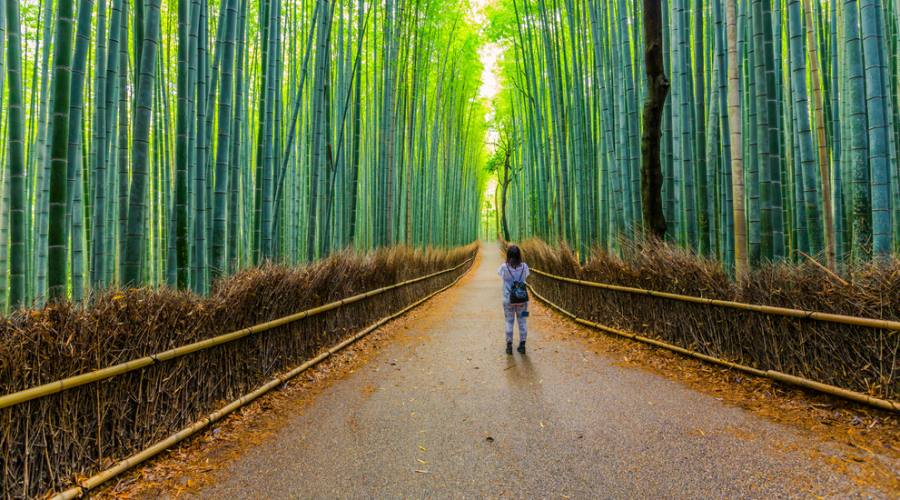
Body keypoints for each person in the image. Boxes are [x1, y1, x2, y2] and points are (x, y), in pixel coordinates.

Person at [498, 245, 530, 355]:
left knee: (508, 321)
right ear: (519, 255)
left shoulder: (504, 267)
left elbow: (501, 276)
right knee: (523, 321)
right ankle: (522, 345)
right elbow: (526, 277)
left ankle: (509, 346)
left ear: (508, 255)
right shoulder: (525, 267)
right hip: (523, 300)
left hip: (508, 300)